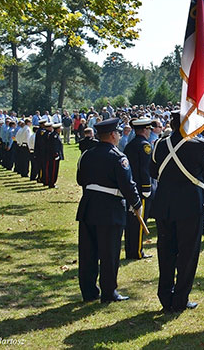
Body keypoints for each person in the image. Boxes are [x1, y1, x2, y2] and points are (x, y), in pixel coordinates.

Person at [150, 111, 204, 312]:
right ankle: (180, 298)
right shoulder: (199, 145)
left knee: (166, 251)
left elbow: (153, 172)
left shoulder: (160, 145)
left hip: (164, 204)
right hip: (190, 205)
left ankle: (165, 296)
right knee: (187, 254)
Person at [76, 118, 143, 303]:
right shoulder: (118, 157)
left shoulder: (87, 155)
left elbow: (80, 179)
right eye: (118, 133)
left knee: (88, 252)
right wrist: (137, 203)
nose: (119, 136)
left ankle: (89, 291)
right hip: (110, 209)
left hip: (89, 206)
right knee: (109, 253)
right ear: (113, 135)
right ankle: (108, 292)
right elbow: (127, 185)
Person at [123, 118, 154, 260]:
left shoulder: (130, 145)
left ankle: (130, 249)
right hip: (141, 188)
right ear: (145, 130)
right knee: (140, 221)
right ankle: (137, 251)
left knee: (131, 221)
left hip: (131, 187)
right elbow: (145, 169)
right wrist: (147, 188)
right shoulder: (145, 146)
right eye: (149, 129)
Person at [46, 123, 64, 188]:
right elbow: (54, 146)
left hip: (53, 155)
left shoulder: (54, 135)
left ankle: (51, 182)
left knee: (53, 169)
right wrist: (56, 154)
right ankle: (51, 183)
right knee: (53, 170)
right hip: (54, 156)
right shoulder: (54, 136)